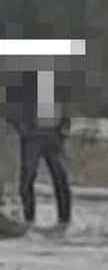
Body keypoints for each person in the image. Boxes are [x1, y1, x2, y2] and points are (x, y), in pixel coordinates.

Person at [2, 71, 71, 225]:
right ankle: (29, 220)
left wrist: (64, 128)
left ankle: (64, 220)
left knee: (61, 180)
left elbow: (64, 104)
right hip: (33, 136)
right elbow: (8, 107)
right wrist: (23, 127)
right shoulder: (22, 80)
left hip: (54, 135)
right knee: (27, 179)